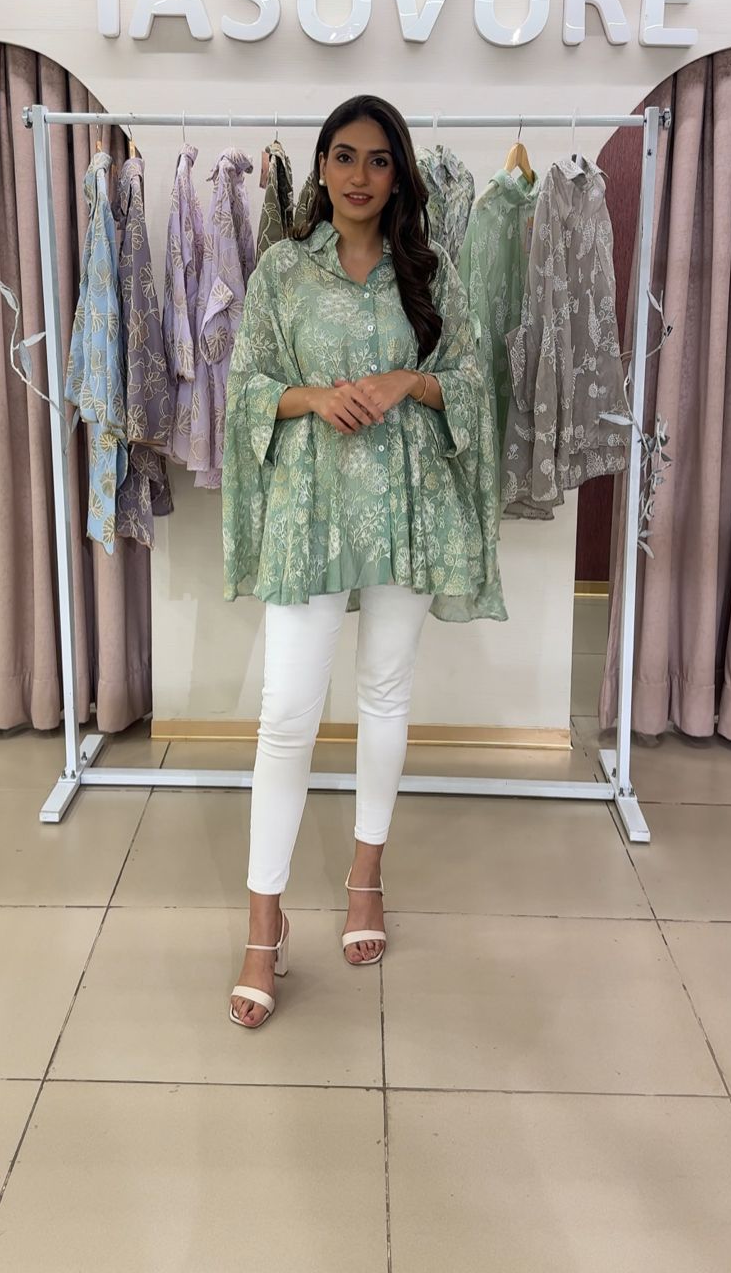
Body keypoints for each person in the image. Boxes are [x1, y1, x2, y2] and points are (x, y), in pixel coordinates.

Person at [221, 93, 504, 1029]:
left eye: (378, 160)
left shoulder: (429, 269)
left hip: (404, 508)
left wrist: (407, 381)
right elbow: (246, 387)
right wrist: (311, 398)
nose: (358, 175)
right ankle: (264, 924)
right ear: (320, 166)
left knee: (384, 693)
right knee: (286, 715)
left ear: (399, 175)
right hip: (310, 509)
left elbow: (472, 382)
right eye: (343, 156)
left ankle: (366, 877)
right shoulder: (282, 270)